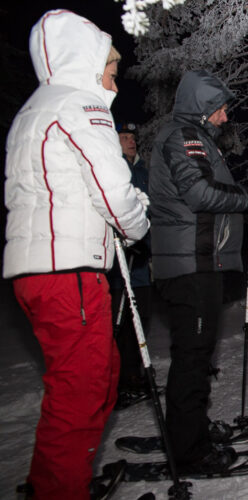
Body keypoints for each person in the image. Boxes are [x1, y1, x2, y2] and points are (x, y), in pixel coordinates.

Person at [3, 10, 149, 499]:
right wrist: (137, 223)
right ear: (85, 60)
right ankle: (60, 491)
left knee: (92, 381)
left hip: (40, 270)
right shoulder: (80, 105)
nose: (114, 74)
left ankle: (58, 481)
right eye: (110, 64)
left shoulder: (35, 108)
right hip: (68, 273)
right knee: (82, 389)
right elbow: (112, 190)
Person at [148, 69, 248, 474]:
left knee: (197, 354)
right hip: (191, 263)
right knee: (193, 358)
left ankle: (191, 429)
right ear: (202, 109)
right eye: (219, 109)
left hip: (197, 262)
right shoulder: (186, 137)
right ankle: (189, 451)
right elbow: (199, 194)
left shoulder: (192, 138)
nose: (225, 117)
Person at [110, 122, 153, 408]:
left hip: (142, 259)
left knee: (142, 317)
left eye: (133, 138)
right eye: (124, 137)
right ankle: (117, 379)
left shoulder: (142, 171)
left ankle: (135, 374)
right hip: (120, 260)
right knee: (120, 321)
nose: (131, 142)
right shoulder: (114, 170)